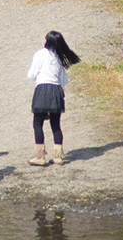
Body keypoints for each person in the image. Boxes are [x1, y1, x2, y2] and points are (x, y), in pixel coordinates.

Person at [27, 31, 81, 166]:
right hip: (57, 91)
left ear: (47, 41)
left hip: (43, 90)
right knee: (56, 125)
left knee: (37, 124)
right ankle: (58, 156)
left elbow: (31, 75)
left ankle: (39, 156)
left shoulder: (40, 54)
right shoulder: (58, 58)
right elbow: (63, 80)